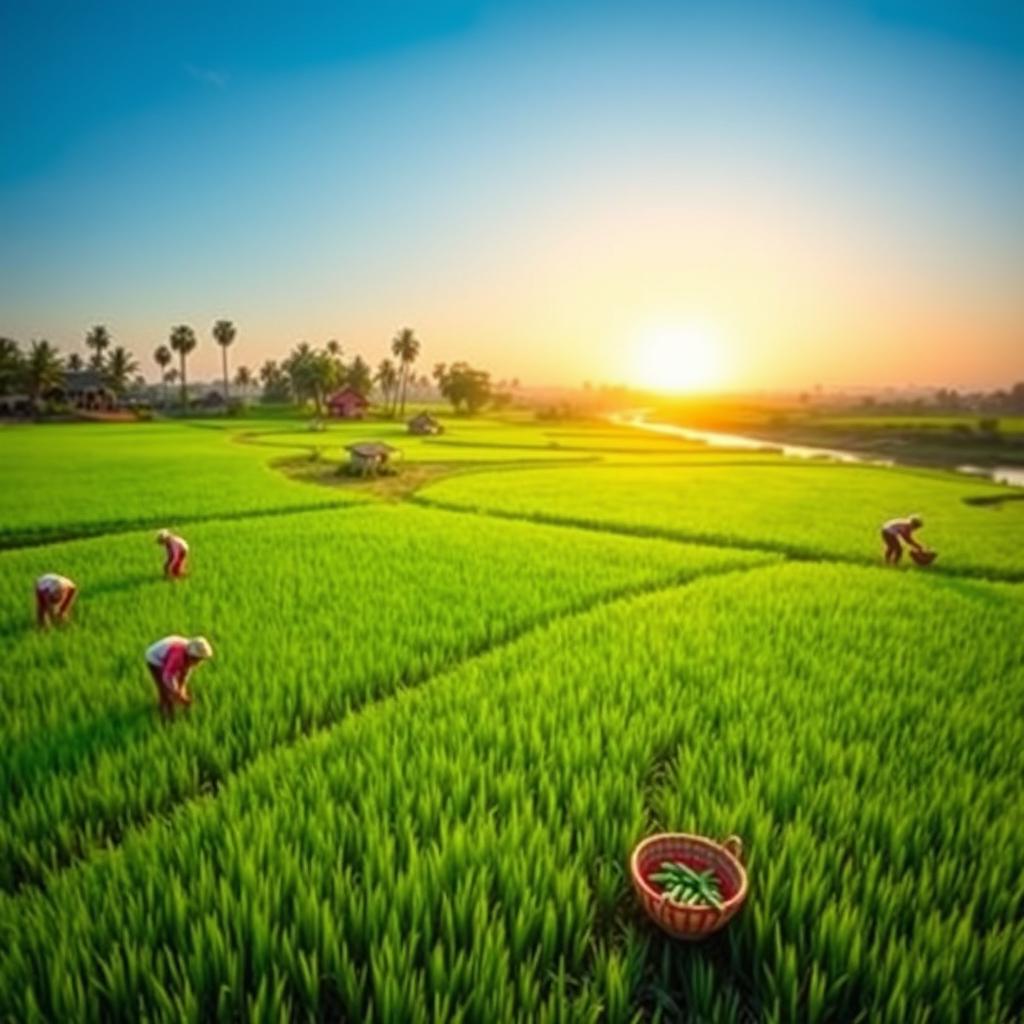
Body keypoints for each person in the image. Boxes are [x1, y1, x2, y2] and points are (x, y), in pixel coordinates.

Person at [144, 635, 213, 716]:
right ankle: (166, 714)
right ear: (191, 655)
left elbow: (185, 673)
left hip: (169, 652)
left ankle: (178, 707)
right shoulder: (177, 657)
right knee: (165, 690)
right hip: (155, 659)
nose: (198, 663)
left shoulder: (190, 653)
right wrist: (176, 692)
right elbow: (168, 676)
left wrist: (182, 689)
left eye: (200, 659)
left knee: (178, 688)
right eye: (196, 659)